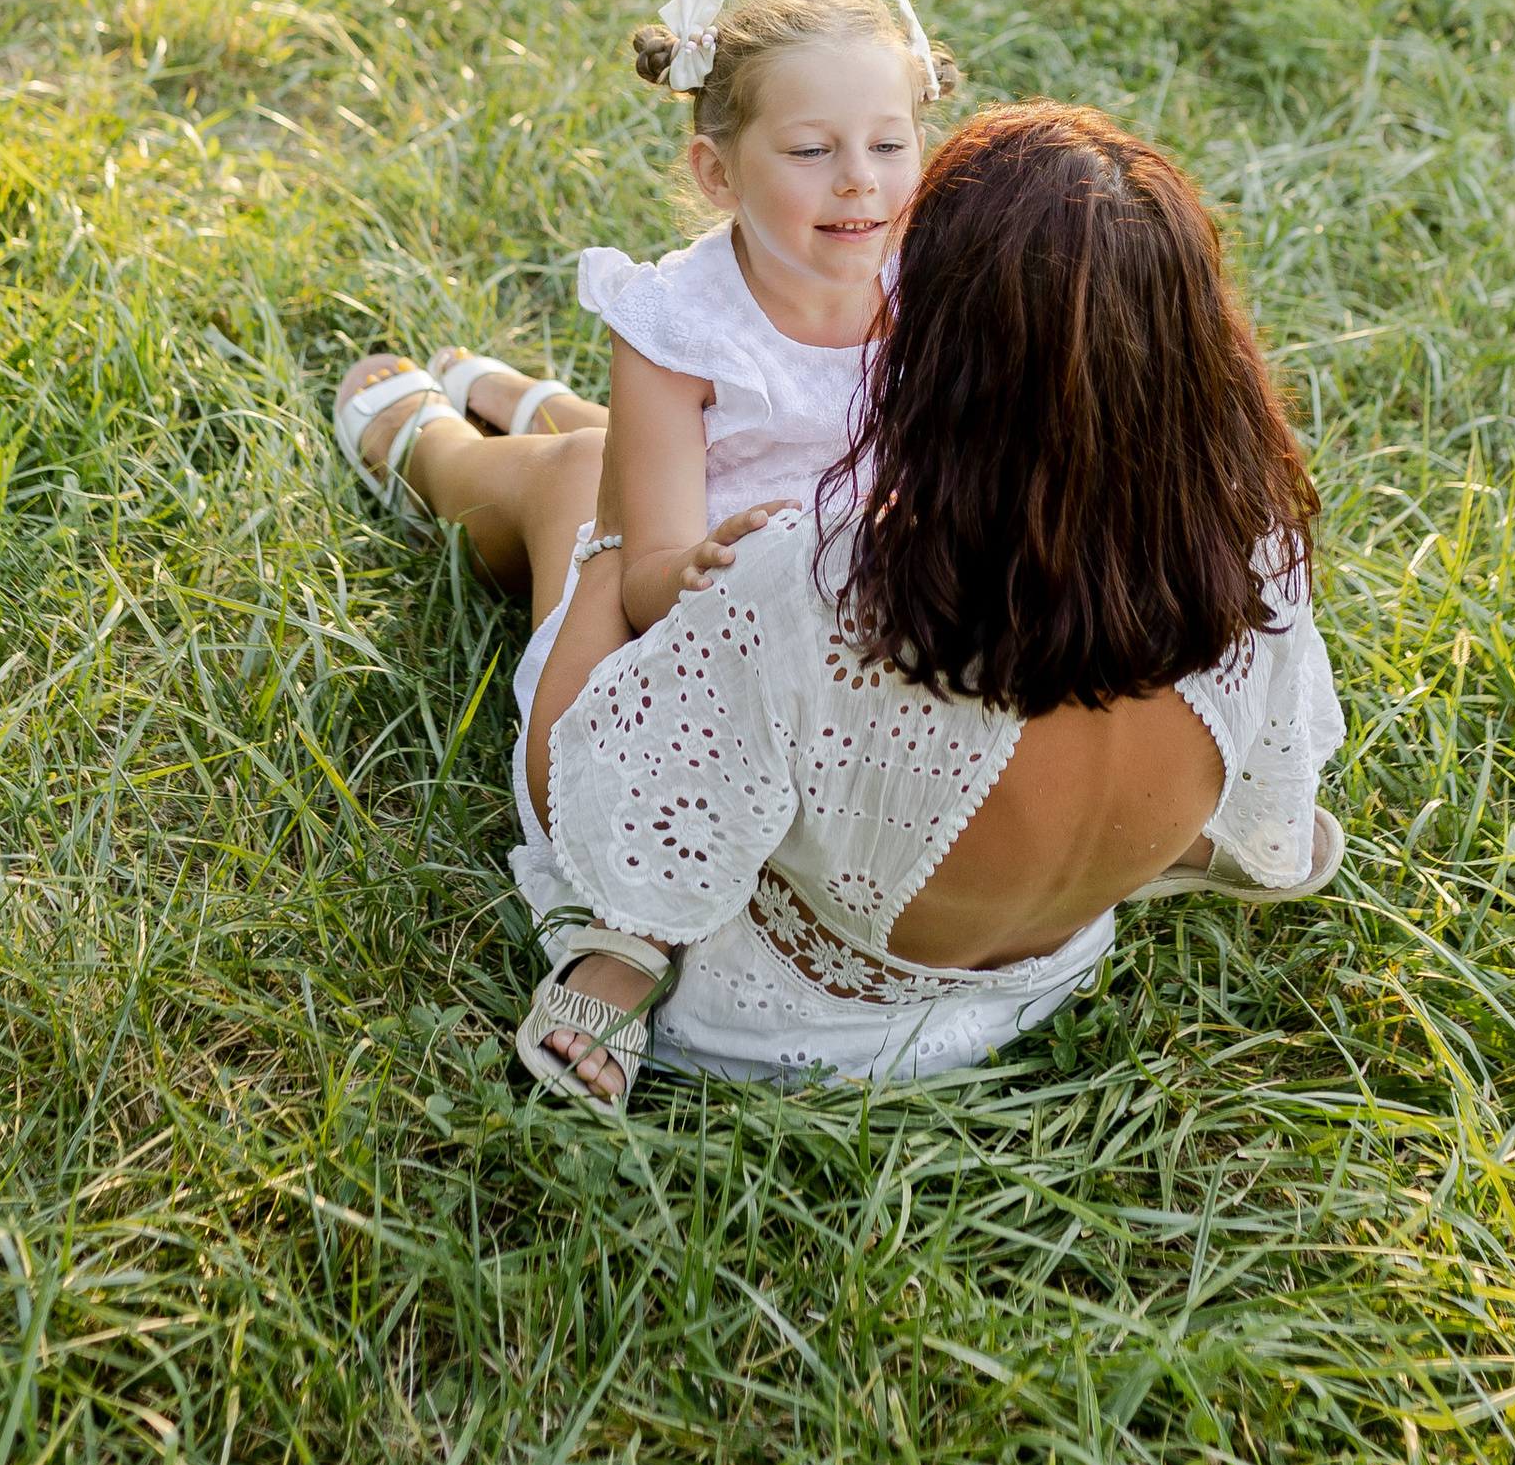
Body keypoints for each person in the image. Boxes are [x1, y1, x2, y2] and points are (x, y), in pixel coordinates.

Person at [510, 101, 1348, 1106]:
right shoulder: (1254, 544)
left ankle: (414, 435)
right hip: (1039, 980)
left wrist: (615, 540)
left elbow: (587, 801)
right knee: (617, 457)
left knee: (580, 472)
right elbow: (1263, 794)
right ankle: (520, 409)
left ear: (943, 354)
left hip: (778, 1022)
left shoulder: (816, 583)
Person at [330, 0, 958, 1063]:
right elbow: (647, 573)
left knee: (594, 449)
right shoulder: (676, 321)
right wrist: (716, 563)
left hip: (855, 602)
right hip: (683, 603)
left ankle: (532, 402)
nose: (859, 181)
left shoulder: (932, 287)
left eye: (889, 144)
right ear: (717, 173)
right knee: (575, 483)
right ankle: (425, 444)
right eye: (812, 152)